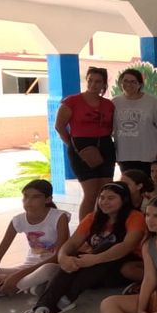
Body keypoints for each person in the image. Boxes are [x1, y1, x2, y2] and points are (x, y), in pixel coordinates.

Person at [24, 181, 146, 313]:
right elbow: (72, 243)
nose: (104, 202)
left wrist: (95, 259)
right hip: (95, 271)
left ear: (124, 199)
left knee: (106, 247)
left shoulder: (135, 217)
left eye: (111, 198)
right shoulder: (93, 218)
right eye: (102, 198)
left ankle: (63, 300)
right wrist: (63, 257)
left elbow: (127, 246)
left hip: (121, 268)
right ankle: (43, 307)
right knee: (75, 255)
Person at [0, 180, 71, 302]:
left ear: (48, 199)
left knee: (47, 270)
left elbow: (57, 257)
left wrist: (17, 276)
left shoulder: (59, 217)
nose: (28, 201)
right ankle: (27, 286)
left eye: (35, 197)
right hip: (27, 267)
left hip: (52, 266)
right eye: (25, 196)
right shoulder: (18, 220)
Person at [55, 66, 116, 219]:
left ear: (104, 84)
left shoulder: (109, 104)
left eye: (98, 81)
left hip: (106, 146)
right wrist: (73, 145)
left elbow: (111, 127)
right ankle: (85, 229)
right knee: (91, 193)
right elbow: (59, 126)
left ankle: (102, 224)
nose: (93, 84)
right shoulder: (72, 101)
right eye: (90, 80)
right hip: (81, 148)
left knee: (106, 191)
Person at [112, 67, 157, 174]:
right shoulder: (115, 102)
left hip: (148, 155)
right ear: (121, 83)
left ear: (140, 84)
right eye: (125, 81)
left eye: (133, 82)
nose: (129, 84)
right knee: (129, 183)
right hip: (124, 155)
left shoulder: (151, 102)